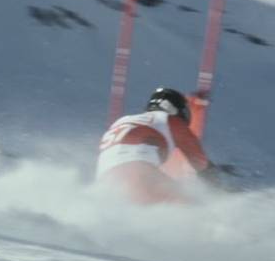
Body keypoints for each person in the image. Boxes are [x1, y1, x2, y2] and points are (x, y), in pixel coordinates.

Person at [96, 87, 230, 204]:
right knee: (193, 211)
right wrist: (220, 189)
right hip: (139, 174)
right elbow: (200, 162)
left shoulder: (124, 121)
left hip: (106, 185)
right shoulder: (170, 121)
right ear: (176, 110)